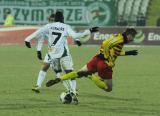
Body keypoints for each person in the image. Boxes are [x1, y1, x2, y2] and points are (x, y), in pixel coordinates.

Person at [25, 11, 98, 101]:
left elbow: (38, 33)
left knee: (59, 74)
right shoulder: (66, 27)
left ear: (54, 19)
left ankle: (72, 90)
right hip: (64, 53)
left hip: (52, 54)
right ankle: (72, 91)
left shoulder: (48, 26)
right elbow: (75, 36)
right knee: (69, 72)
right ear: (63, 18)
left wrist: (27, 39)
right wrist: (88, 31)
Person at [46, 28, 138, 93]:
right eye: (133, 37)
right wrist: (106, 57)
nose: (133, 39)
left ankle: (59, 79)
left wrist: (128, 53)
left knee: (79, 73)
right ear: (129, 35)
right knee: (108, 88)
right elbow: (106, 44)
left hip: (97, 59)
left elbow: (114, 51)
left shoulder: (118, 37)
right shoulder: (120, 39)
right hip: (104, 64)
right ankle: (90, 76)